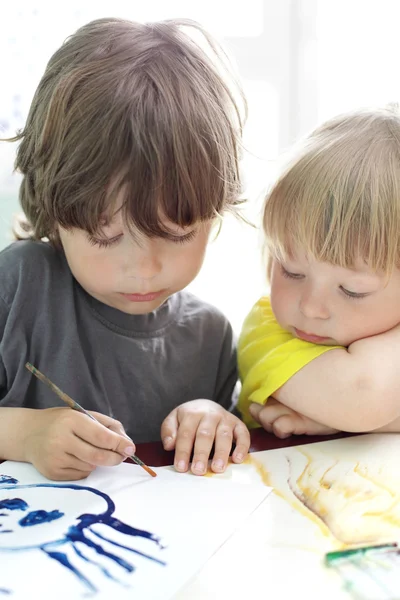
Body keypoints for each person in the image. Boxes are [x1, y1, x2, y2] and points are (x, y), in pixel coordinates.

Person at [0, 17, 250, 481]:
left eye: (176, 234)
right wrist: (22, 434)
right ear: (55, 211)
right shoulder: (16, 290)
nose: (144, 268)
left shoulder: (209, 338)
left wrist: (214, 420)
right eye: (104, 233)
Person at [238, 106, 400, 439]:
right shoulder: (267, 330)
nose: (311, 307)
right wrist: (353, 419)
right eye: (291, 271)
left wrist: (332, 422)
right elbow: (362, 398)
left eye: (352, 290)